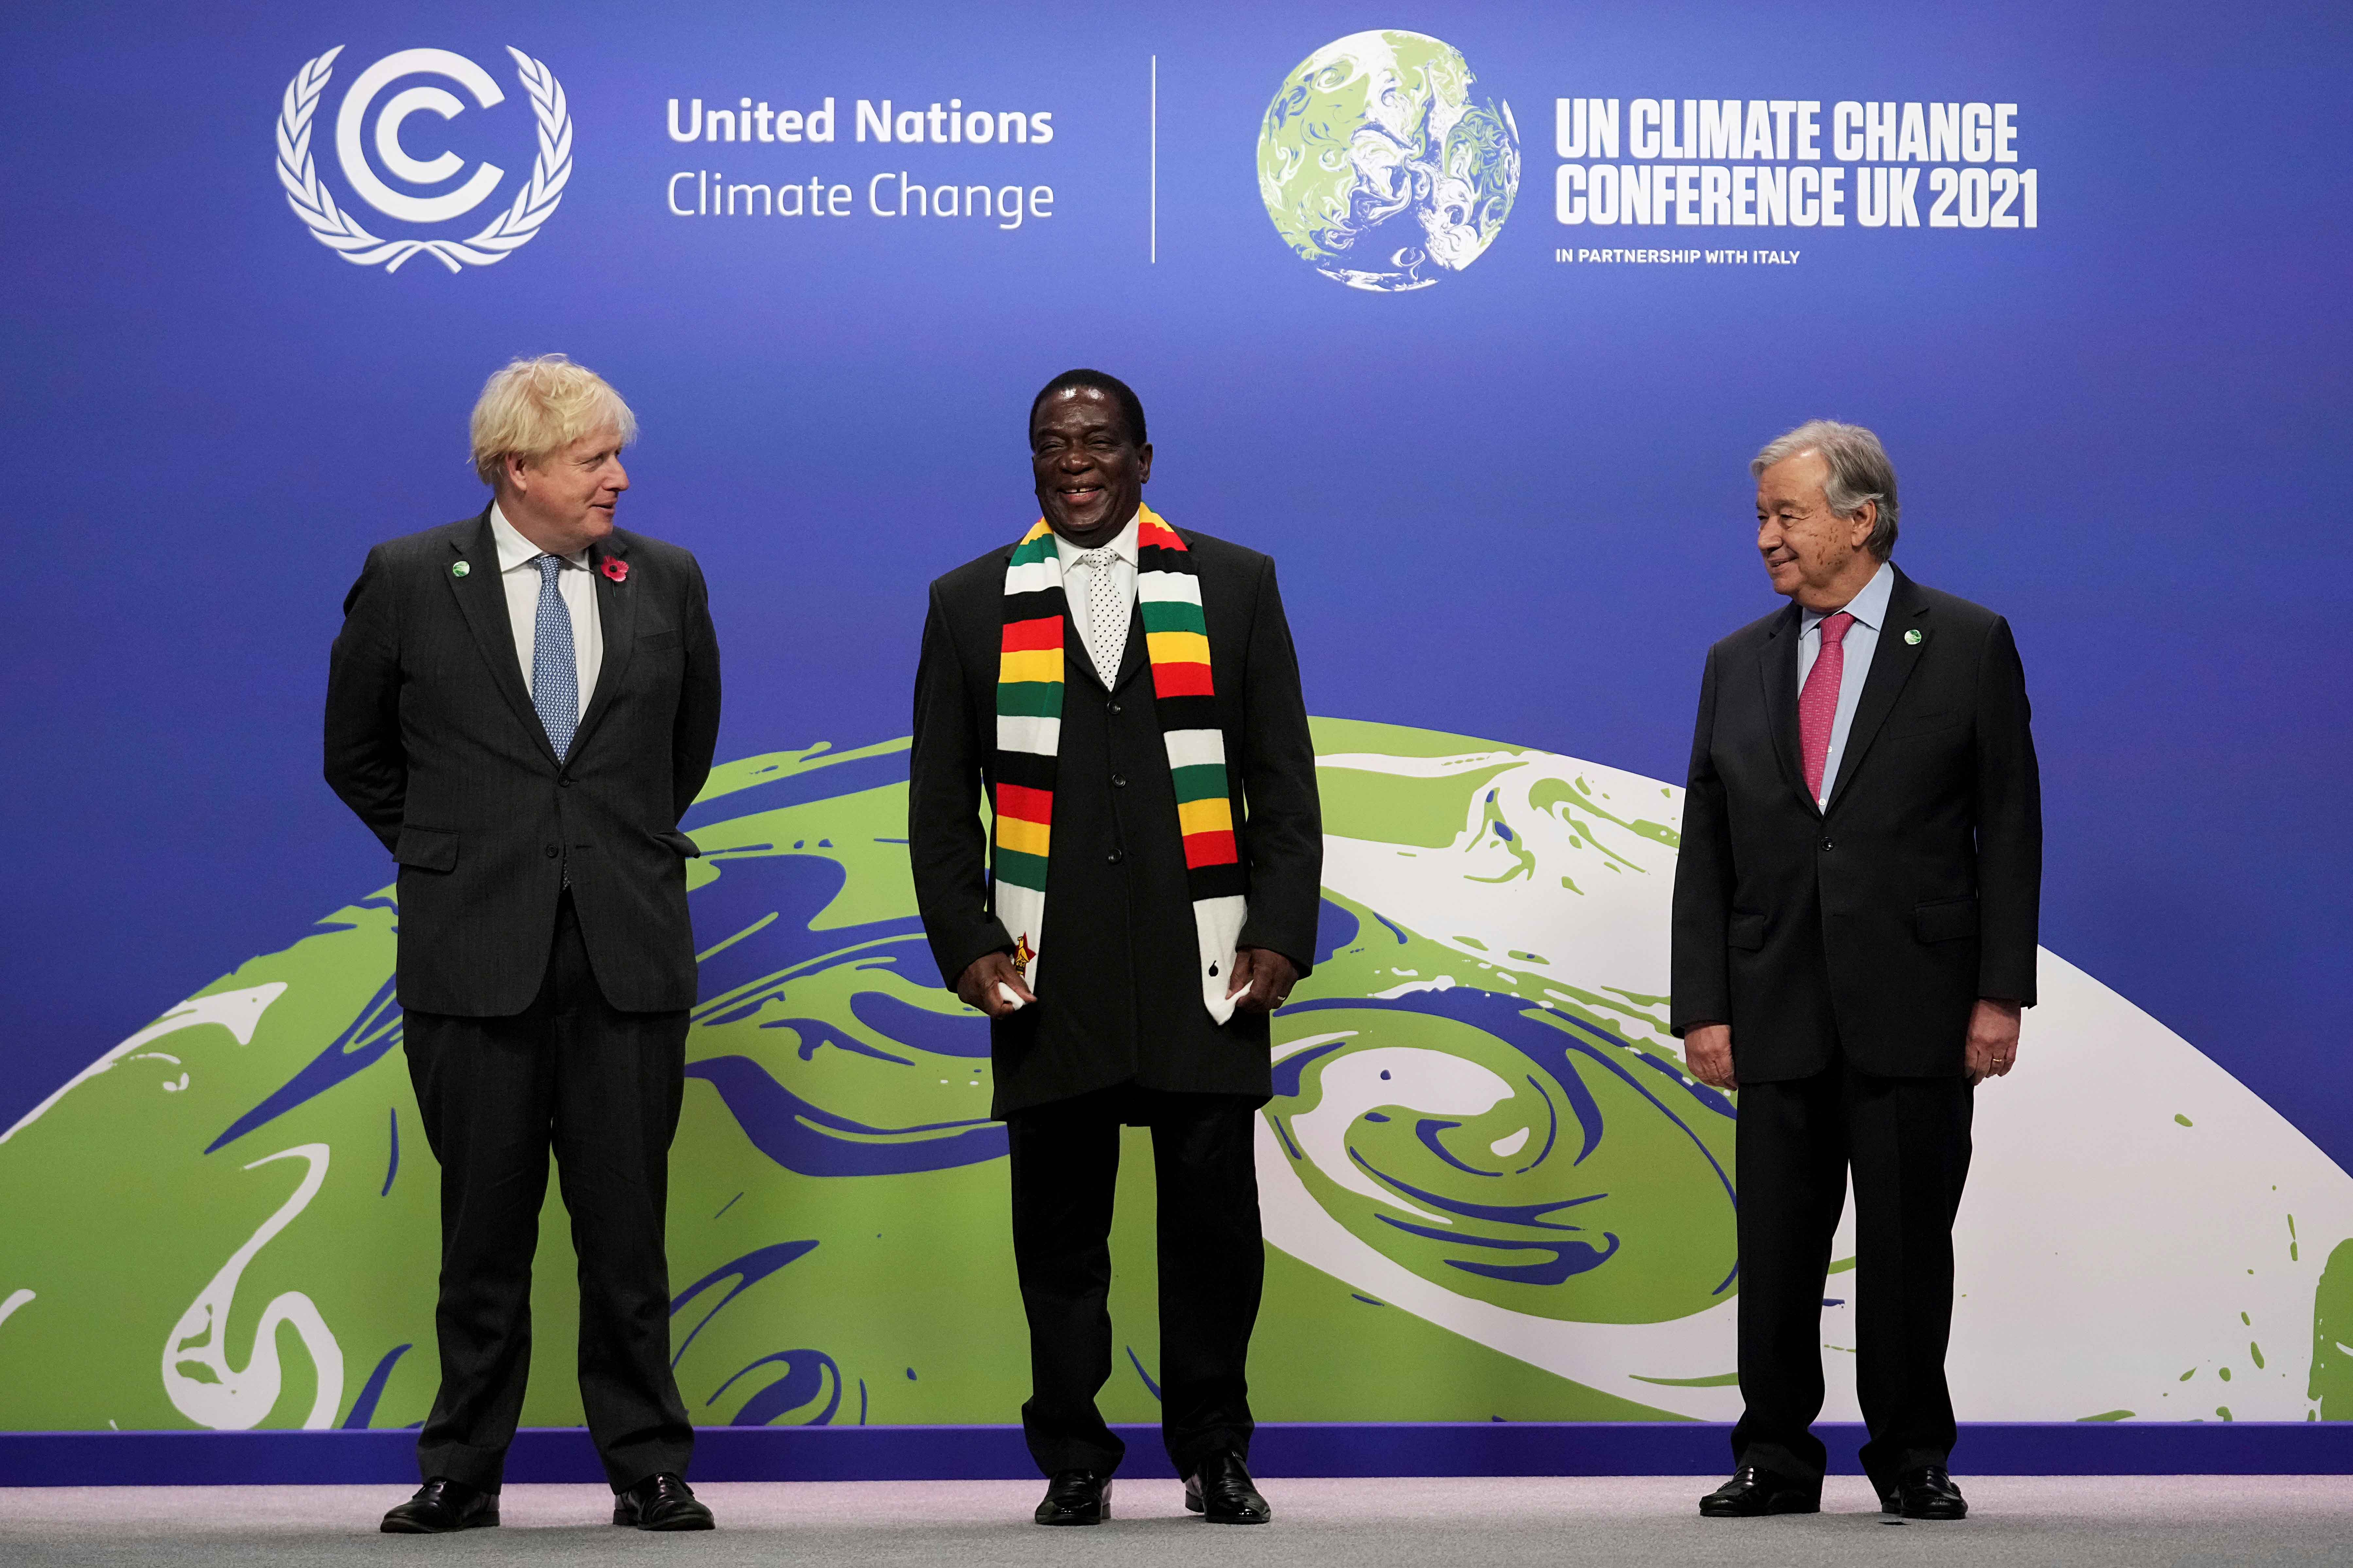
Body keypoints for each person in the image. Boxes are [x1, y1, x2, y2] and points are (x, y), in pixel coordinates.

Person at [908, 369, 1322, 1526]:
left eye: (1097, 442)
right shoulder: (967, 601)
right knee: (1058, 1239)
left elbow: (1284, 786)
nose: (1075, 461)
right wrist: (970, 942)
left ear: (1145, 459)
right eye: (1053, 443)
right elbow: (940, 808)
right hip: (1049, 973)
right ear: (1032, 460)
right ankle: (1076, 1454)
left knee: (1211, 1236)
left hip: (1209, 965)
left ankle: (1213, 1450)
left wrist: (1282, 932)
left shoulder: (1235, 585)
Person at [325, 355, 723, 1533]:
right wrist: (458, 851)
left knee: (627, 1231)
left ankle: (647, 1465)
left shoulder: (667, 578)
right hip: (472, 954)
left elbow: (681, 752)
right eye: (595, 458)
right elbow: (356, 756)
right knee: (481, 1232)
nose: (620, 478)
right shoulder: (407, 577)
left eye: (615, 455)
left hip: (627, 952)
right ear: (520, 466)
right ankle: (464, 1467)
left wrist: (597, 847)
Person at [1671, 420, 2040, 1522]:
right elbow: (1710, 846)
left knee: (1905, 1250)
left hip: (1917, 1007)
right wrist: (1703, 1005)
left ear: (1858, 518)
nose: (1765, 539)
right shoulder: (1735, 660)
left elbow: (2009, 828)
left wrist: (1997, 992)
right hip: (1772, 998)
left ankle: (1912, 1456)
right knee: (1776, 1252)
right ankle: (1773, 1456)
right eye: (1761, 518)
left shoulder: (1968, 642)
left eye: (1784, 515)